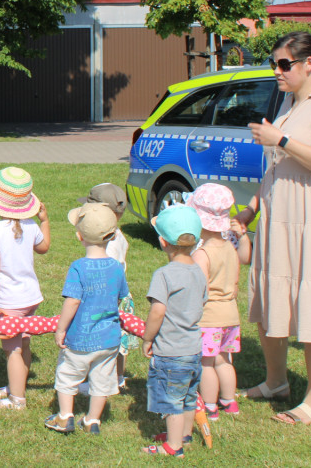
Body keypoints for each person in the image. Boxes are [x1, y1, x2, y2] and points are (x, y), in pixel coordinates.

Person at [234, 31, 311, 426]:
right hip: (276, 216)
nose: (277, 71)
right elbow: (276, 168)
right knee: (270, 294)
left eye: (284, 64)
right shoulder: (288, 102)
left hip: (308, 218)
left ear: (309, 64)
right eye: (274, 64)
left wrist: (279, 137)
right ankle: (276, 381)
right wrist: (250, 210)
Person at [45, 203, 128, 436]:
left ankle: (64, 417)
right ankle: (92, 420)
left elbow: (72, 301)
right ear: (111, 236)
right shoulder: (116, 267)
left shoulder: (78, 267)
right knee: (102, 381)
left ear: (79, 236)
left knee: (67, 376)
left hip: (80, 338)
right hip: (109, 339)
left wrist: (61, 329)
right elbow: (121, 296)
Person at [0, 167, 52, 411]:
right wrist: (45, 221)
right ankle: (17, 385)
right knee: (25, 343)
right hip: (31, 297)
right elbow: (44, 249)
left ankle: (17, 400)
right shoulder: (31, 226)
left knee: (12, 349)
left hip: (10, 301)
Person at [140, 206, 208, 458]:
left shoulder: (164, 274)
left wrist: (148, 337)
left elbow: (157, 311)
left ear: (162, 241)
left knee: (171, 402)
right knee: (189, 396)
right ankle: (185, 435)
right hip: (193, 348)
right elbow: (202, 302)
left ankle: (173, 446)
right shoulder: (198, 272)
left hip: (171, 351)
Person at [188, 183, 252, 421]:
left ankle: (211, 405)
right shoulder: (230, 247)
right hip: (231, 315)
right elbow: (246, 258)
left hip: (209, 317)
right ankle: (229, 400)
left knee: (206, 363)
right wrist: (242, 236)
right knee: (224, 360)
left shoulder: (201, 254)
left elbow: (199, 290)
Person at [77, 183, 136, 394]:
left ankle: (102, 379)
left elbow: (105, 274)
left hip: (107, 297)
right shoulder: (117, 235)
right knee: (119, 342)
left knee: (103, 339)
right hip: (121, 293)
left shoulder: (106, 245)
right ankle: (118, 377)